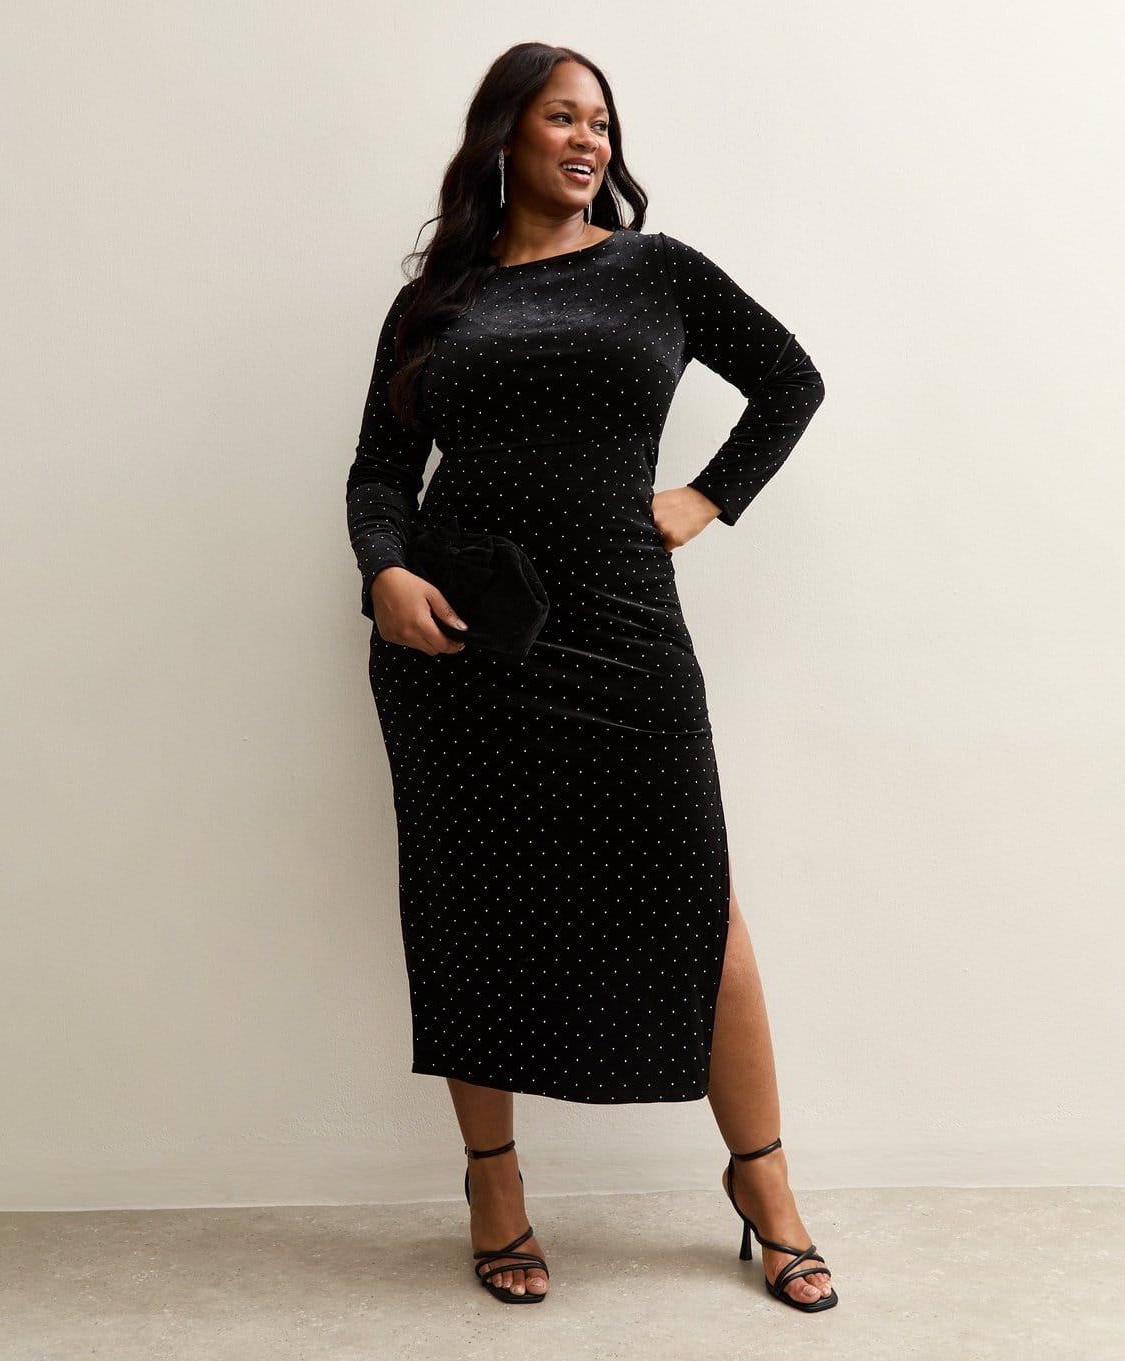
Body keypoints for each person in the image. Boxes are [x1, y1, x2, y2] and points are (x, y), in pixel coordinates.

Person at [345, 42, 835, 1312]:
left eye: (603, 122)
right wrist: (384, 569)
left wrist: (707, 497)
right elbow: (380, 471)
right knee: (470, 907)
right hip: (463, 642)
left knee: (701, 904)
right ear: (504, 135)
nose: (589, 140)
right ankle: (495, 1186)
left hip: (623, 629)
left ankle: (764, 1182)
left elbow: (791, 379)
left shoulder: (655, 271)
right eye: (563, 117)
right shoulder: (435, 301)